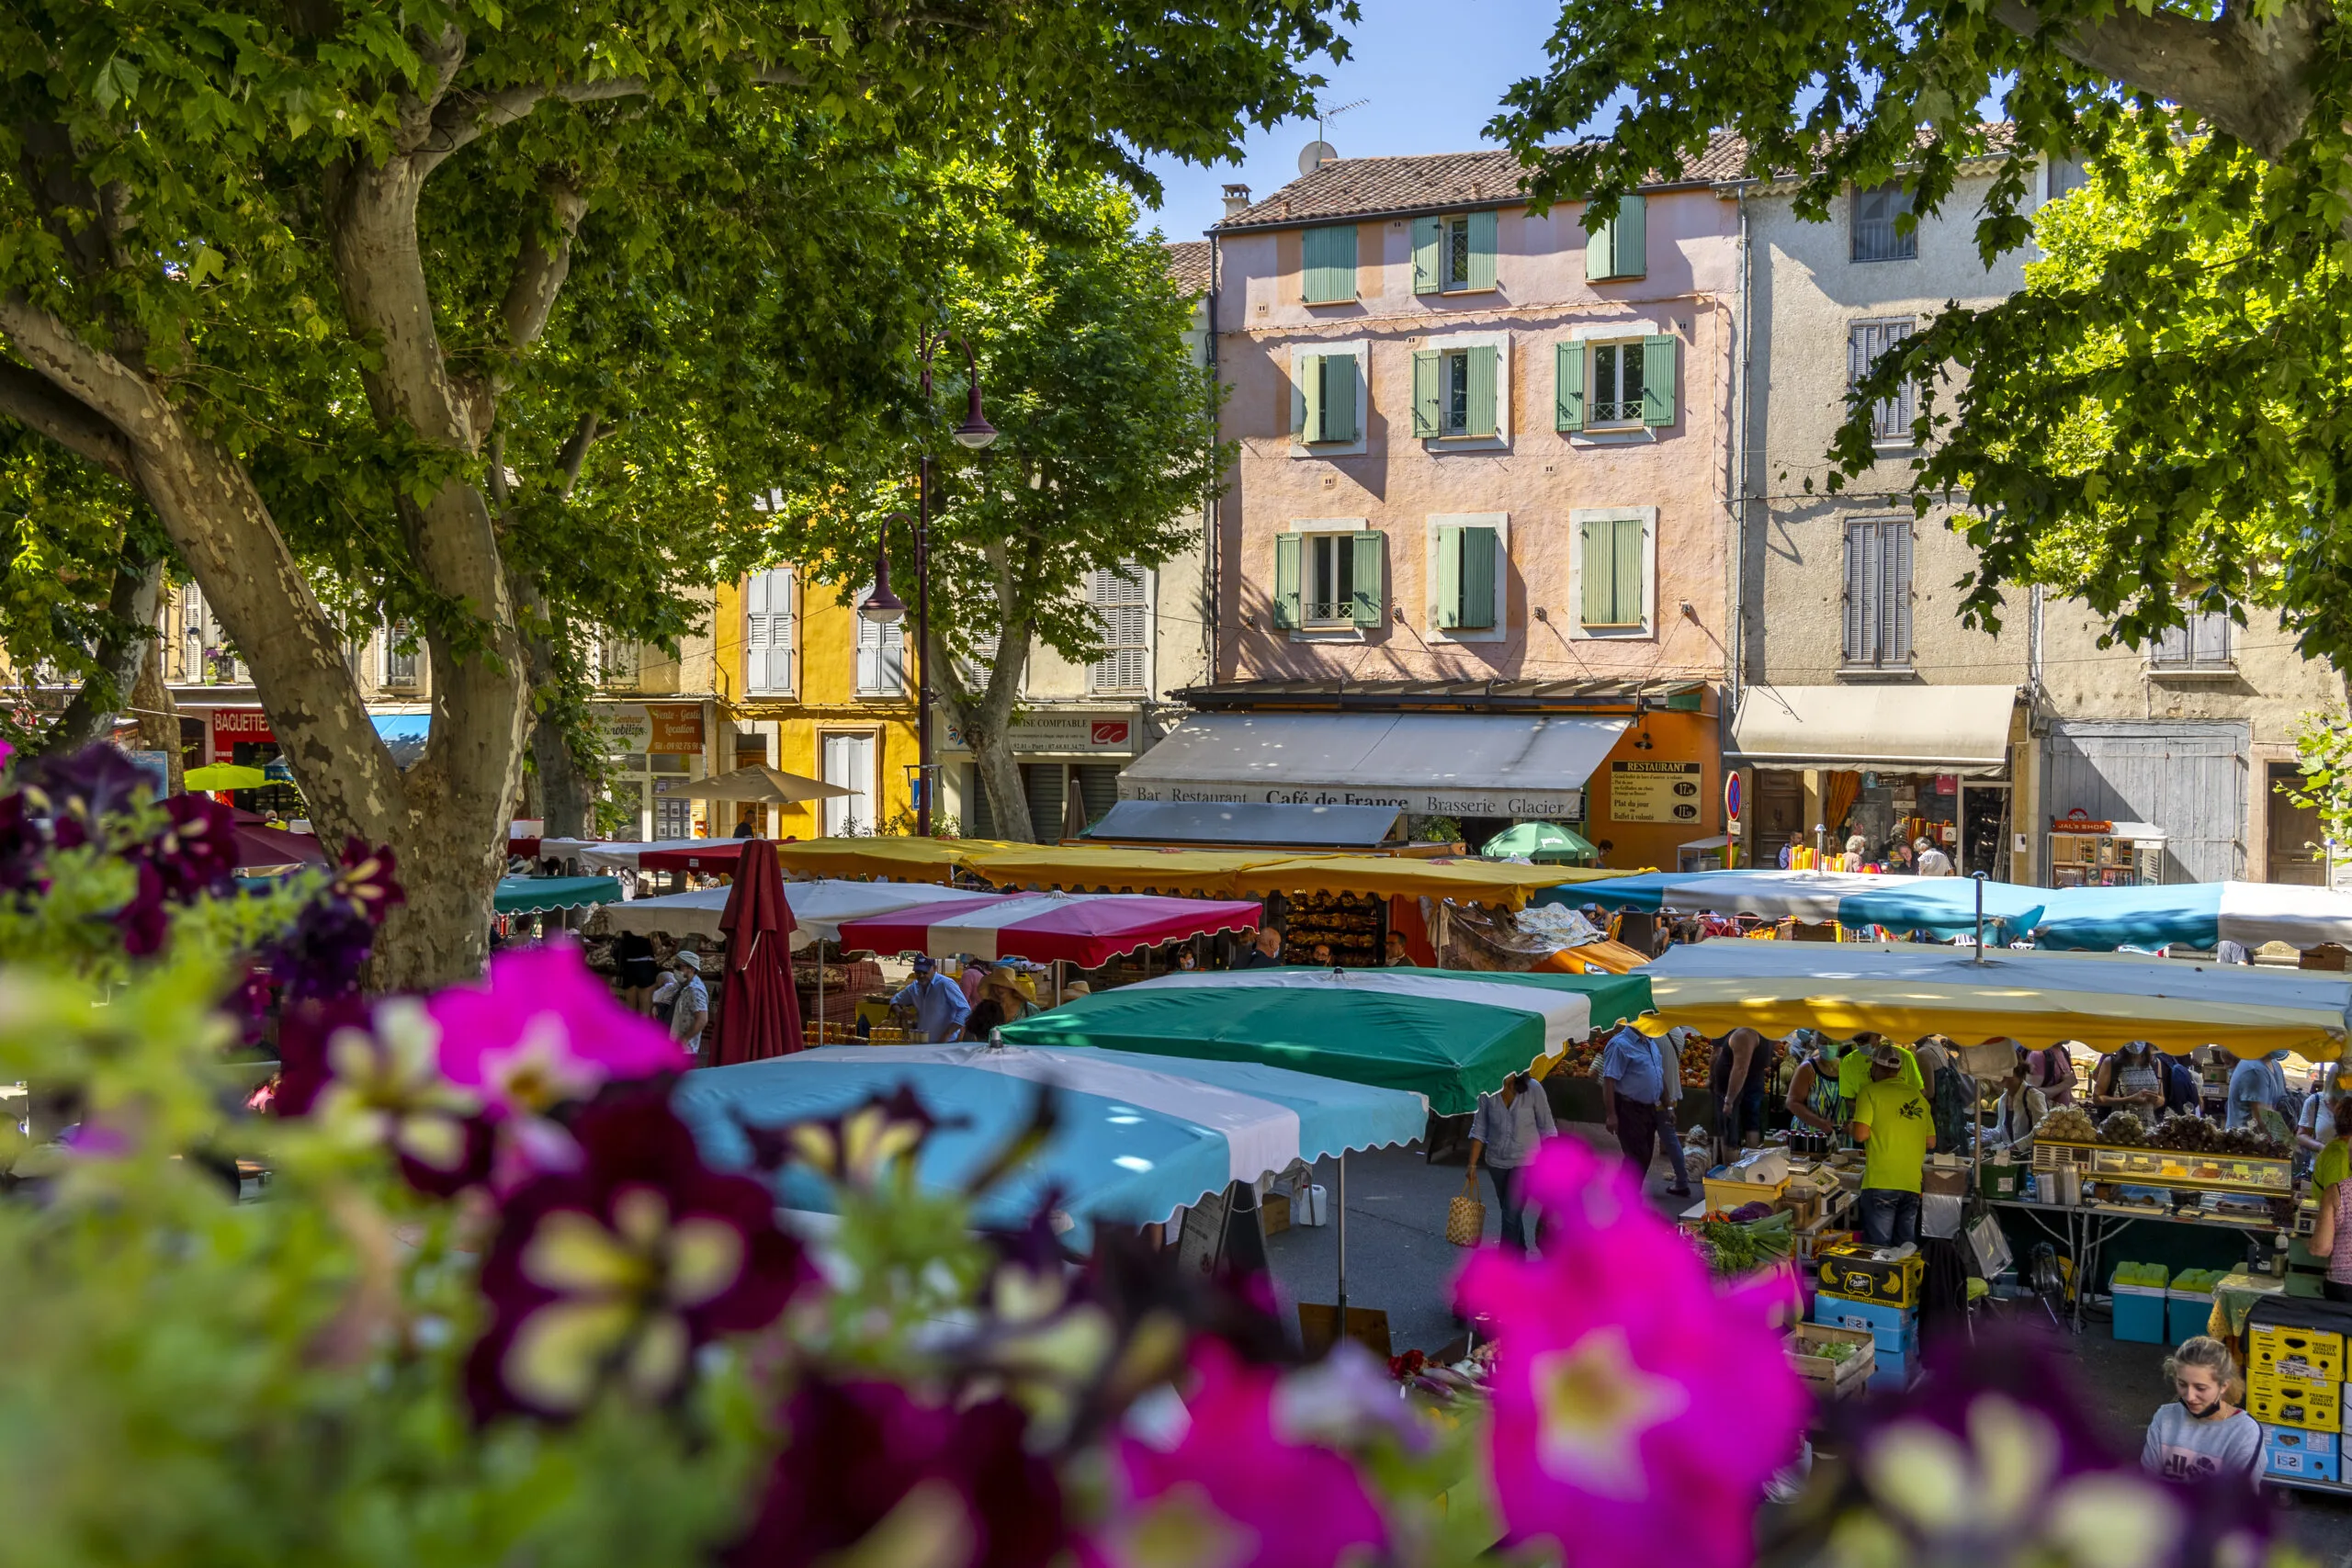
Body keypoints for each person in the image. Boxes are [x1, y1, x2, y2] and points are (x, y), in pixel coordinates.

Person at [2141, 1337, 2262, 1485]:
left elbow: (2237, 1499)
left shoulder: (2245, 1432)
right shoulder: (2165, 1417)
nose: (2189, 1397)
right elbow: (2147, 1484)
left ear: (2224, 1386)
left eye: (2200, 1388)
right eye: (2182, 1384)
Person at [1849, 1041, 1935, 1247]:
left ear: (1877, 1068)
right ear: (1898, 1069)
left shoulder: (1870, 1092)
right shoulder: (1918, 1096)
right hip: (1911, 1185)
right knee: (1904, 1250)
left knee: (1878, 1251)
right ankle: (1902, 1282)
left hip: (1881, 1183)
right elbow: (1931, 1141)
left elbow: (1860, 1135)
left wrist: (1851, 1127)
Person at [1465, 1068, 1559, 1252]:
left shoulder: (1534, 1089)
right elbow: (1479, 1128)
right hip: (1496, 1162)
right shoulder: (1486, 1091)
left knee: (1510, 1212)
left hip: (1526, 1160)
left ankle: (1506, 1264)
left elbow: (1547, 1128)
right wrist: (1472, 1164)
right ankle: (1519, 1253)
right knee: (1510, 1212)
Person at [1600, 1021, 1670, 1187]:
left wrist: (1669, 1106)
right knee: (1637, 1155)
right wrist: (1611, 1115)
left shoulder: (1650, 1043)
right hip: (1629, 1108)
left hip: (1649, 1109)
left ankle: (1621, 1190)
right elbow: (1609, 1080)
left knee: (1644, 1155)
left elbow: (1659, 1075)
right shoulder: (1619, 1045)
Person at [1785, 1033, 1846, 1154]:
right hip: (1810, 1136)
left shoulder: (1846, 1068)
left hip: (1838, 1137)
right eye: (1824, 1042)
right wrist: (1820, 1123)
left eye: (1832, 1043)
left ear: (1840, 1045)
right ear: (1817, 1043)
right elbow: (1792, 1102)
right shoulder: (1807, 1069)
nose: (1828, 1047)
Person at [889, 954, 972, 1043]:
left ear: (935, 968)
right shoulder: (914, 987)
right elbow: (894, 1000)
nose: (921, 976)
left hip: (946, 1043)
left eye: (925, 972)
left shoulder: (945, 984)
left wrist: (947, 1033)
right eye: (918, 972)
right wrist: (900, 1012)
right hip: (921, 1042)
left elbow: (965, 1010)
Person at [1713, 1027, 1769, 1155]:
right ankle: (1750, 1164)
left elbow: (1740, 1069)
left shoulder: (1745, 1034)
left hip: (1736, 1089)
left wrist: (1729, 1100)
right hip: (1752, 1083)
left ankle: (1732, 1172)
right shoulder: (1762, 1031)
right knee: (1751, 1124)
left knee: (1730, 1133)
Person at [650, 949, 710, 1055]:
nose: (675, 970)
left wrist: (684, 1040)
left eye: (678, 967)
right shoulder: (682, 985)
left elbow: (702, 1019)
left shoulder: (695, 991)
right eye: (675, 966)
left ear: (691, 969)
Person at [2093, 1040, 2167, 1117]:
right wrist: (2129, 1100)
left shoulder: (2155, 1063)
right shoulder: (2111, 1062)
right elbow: (2097, 1099)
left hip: (2149, 1126)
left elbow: (2162, 1099)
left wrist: (2155, 1100)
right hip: (2120, 1125)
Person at [962, 966, 1038, 1041]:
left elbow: (1038, 1035)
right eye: (996, 985)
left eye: (1004, 985)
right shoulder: (985, 1007)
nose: (999, 989)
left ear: (1012, 987)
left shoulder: (1030, 1009)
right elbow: (972, 1032)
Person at [1987, 1065, 2048, 1154]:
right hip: (2013, 1159)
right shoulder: (2003, 1100)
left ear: (2017, 1071)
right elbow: (2001, 1131)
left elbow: (2043, 1131)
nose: (2000, 1076)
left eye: (2005, 1071)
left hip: (2031, 1159)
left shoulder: (2033, 1097)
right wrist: (1986, 1134)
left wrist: (2017, 1146)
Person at [2226, 1047, 2289, 1131]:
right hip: (2243, 1139)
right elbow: (2263, 1116)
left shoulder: (2275, 1065)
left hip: (2263, 1138)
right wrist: (2288, 1141)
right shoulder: (2253, 1069)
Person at [613, 929, 661, 1015]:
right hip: (646, 967)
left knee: (630, 1011)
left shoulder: (624, 927)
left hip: (628, 967)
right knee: (644, 1012)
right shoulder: (649, 928)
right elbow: (658, 949)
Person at [2026, 1043, 2080, 1107]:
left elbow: (2066, 1093)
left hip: (2060, 1115)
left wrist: (2081, 1112)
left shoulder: (2063, 1052)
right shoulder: (2038, 1054)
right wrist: (2065, 1084)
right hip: (2044, 1116)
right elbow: (2031, 1094)